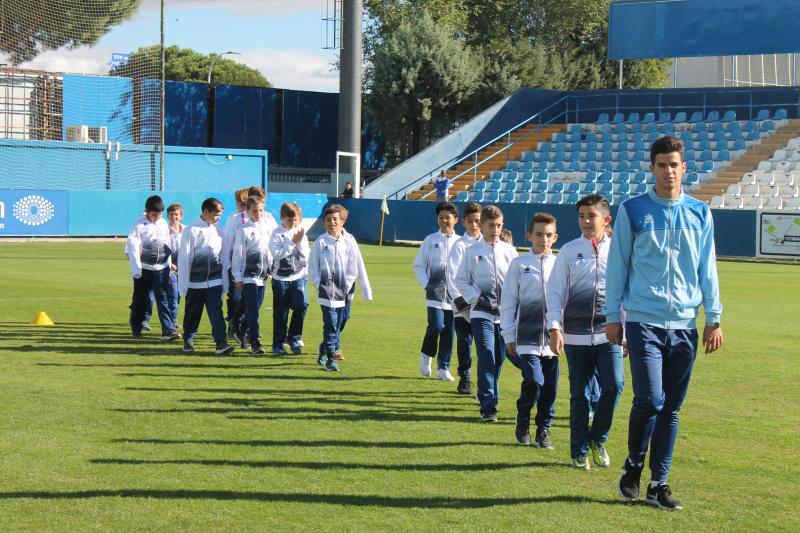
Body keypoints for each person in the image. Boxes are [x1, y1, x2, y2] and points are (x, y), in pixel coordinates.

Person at [607, 136, 723, 511]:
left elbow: (708, 269)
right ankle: (633, 464)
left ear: (684, 168)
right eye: (661, 164)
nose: (668, 170)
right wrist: (613, 317)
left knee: (671, 408)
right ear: (652, 168)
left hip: (686, 325)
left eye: (674, 164)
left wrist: (713, 317)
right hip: (643, 321)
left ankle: (659, 483)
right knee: (650, 400)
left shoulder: (699, 213)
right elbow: (617, 268)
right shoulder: (633, 210)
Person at [547, 194, 624, 471]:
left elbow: (626, 293)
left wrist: (626, 331)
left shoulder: (619, 250)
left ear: (605, 219)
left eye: (591, 216)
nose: (585, 221)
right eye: (581, 216)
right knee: (579, 394)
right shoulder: (568, 251)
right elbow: (555, 292)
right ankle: (579, 450)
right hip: (576, 336)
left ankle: (598, 439)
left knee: (614, 385)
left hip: (610, 334)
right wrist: (555, 327)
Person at [501, 212, 559, 449]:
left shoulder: (559, 263)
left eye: (548, 235)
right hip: (525, 335)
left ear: (555, 237)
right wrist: (508, 333)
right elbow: (509, 301)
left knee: (550, 388)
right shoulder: (519, 264)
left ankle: (543, 429)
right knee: (535, 380)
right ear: (529, 236)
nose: (543, 240)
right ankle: (523, 416)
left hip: (553, 339)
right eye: (538, 235)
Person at [455, 205, 518, 422]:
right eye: (491, 225)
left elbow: (517, 281)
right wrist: (477, 297)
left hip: (505, 315)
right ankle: (489, 406)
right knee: (486, 355)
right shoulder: (472, 252)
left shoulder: (510, 251)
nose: (496, 230)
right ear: (482, 225)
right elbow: (460, 280)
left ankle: (485, 392)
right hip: (481, 314)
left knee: (499, 359)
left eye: (499, 225)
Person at [308, 204, 372, 371]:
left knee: (341, 322)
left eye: (335, 219)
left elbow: (353, 267)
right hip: (326, 292)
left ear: (342, 221)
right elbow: (312, 266)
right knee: (330, 323)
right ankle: (331, 358)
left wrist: (346, 286)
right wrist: (318, 284)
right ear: (324, 223)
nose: (332, 222)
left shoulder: (349, 241)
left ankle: (324, 346)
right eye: (328, 220)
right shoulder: (320, 242)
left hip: (344, 291)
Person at [178, 198, 234, 355]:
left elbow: (223, 257)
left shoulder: (219, 230)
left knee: (216, 311)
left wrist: (224, 281)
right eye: (216, 214)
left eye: (220, 215)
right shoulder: (191, 230)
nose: (218, 218)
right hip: (195, 283)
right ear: (206, 212)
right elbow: (184, 258)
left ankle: (221, 342)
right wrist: (183, 285)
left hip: (215, 281)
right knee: (192, 313)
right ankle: (188, 339)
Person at [413, 202, 460, 381]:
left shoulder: (460, 242)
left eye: (447, 217)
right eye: (440, 217)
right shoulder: (430, 240)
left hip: (455, 297)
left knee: (449, 331)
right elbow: (419, 265)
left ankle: (443, 367)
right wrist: (427, 284)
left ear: (455, 220)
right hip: (434, 294)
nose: (443, 221)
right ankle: (426, 355)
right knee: (436, 326)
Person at [126, 195, 180, 341]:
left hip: (161, 269)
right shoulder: (138, 225)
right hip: (144, 269)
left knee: (164, 299)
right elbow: (132, 248)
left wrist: (168, 265)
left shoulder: (163, 223)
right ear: (147, 211)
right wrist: (137, 271)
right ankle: (136, 328)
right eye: (154, 214)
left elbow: (167, 244)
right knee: (140, 301)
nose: (157, 217)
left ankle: (168, 330)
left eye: (160, 214)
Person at [231, 196, 274, 355]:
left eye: (261, 210)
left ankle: (237, 326)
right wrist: (238, 277)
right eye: (255, 210)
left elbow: (269, 251)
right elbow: (238, 255)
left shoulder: (266, 228)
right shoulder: (243, 230)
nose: (258, 213)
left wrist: (271, 267)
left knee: (250, 305)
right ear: (247, 211)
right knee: (253, 309)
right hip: (248, 276)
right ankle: (255, 341)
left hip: (262, 276)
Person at [447, 202, 482, 395]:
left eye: (477, 221)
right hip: (464, 306)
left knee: (485, 344)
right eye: (470, 221)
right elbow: (453, 275)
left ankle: (485, 380)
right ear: (463, 222)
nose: (475, 225)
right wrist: (462, 301)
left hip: (485, 305)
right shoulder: (459, 245)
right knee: (465, 341)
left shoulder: (488, 244)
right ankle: (466, 377)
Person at [269, 201, 310, 355]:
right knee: (281, 312)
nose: (293, 223)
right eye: (289, 220)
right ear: (282, 217)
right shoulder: (276, 233)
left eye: (295, 220)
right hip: (280, 278)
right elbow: (277, 254)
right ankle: (277, 344)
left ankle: (293, 337)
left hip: (299, 276)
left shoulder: (300, 231)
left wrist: (298, 243)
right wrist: (292, 242)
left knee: (302, 305)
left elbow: (306, 254)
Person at [166, 203, 185, 327]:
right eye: (172, 214)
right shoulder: (165, 231)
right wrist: (169, 264)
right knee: (172, 294)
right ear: (168, 216)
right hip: (170, 268)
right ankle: (172, 320)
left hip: (184, 269)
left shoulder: (186, 230)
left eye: (176, 214)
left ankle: (171, 317)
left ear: (181, 216)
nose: (174, 217)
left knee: (178, 295)